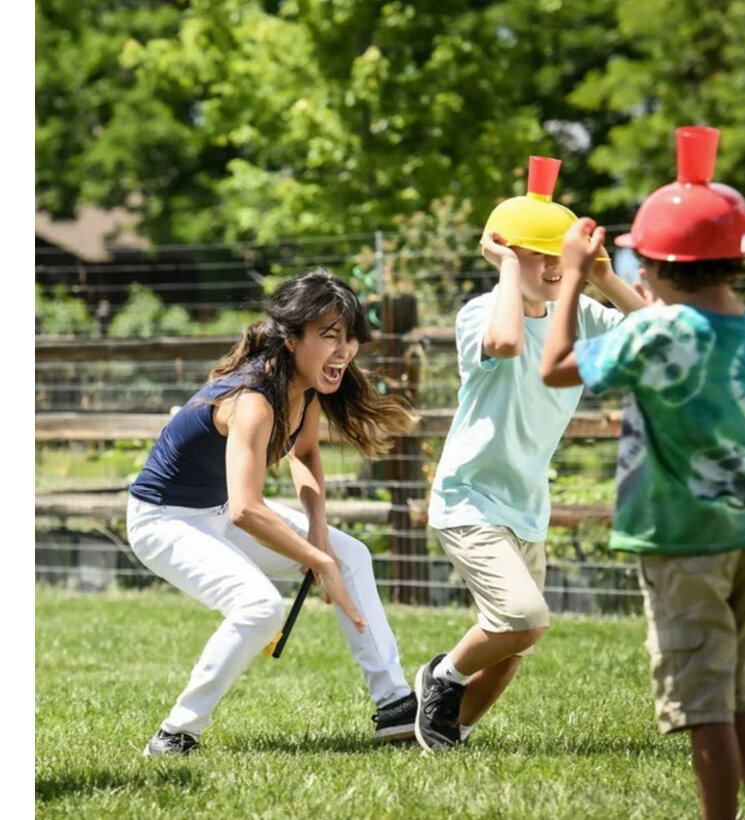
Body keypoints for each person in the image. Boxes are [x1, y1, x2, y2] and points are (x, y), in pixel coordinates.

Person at [540, 127, 745, 820]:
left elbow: (556, 365)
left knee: (702, 706)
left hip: (684, 541)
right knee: (736, 693)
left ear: (654, 264)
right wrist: (604, 281)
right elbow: (675, 332)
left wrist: (569, 278)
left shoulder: (656, 334)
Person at [127, 268, 419, 756]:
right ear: (291, 338)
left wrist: (321, 539)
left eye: (349, 339)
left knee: (353, 555)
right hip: (164, 522)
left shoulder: (303, 391)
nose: (345, 352)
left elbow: (304, 456)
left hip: (216, 510)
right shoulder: (254, 400)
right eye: (330, 337)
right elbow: (247, 510)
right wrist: (317, 561)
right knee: (260, 608)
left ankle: (394, 707)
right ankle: (175, 734)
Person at [414, 156, 648, 752]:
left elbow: (658, 330)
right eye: (534, 255)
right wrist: (511, 267)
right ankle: (441, 678)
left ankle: (451, 730)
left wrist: (599, 274)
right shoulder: (482, 312)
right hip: (470, 497)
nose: (548, 268)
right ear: (508, 255)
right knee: (524, 618)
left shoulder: (582, 313)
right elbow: (507, 339)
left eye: (554, 256)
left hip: (525, 503)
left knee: (516, 640)